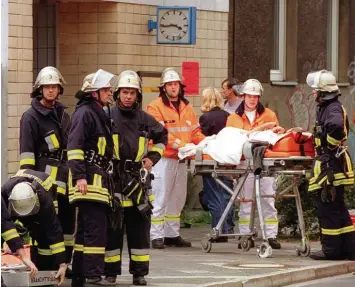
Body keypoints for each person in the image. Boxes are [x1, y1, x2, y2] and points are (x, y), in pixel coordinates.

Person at [103, 70, 168, 286]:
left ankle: (139, 273)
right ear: (118, 94)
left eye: (132, 93)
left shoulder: (145, 119)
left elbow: (162, 138)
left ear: (137, 96)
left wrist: (152, 158)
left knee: (139, 231)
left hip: (137, 182)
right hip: (113, 180)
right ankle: (110, 272)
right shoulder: (107, 116)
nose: (128, 96)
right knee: (113, 229)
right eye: (124, 92)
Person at [19, 66, 75, 268]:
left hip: (66, 178)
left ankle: (64, 264)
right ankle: (46, 264)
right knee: (46, 223)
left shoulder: (64, 115)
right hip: (44, 179)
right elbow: (26, 154)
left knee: (67, 223)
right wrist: (30, 182)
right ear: (39, 89)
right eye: (47, 87)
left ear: (59, 89)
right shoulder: (30, 116)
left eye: (54, 86)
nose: (51, 90)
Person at [67, 69, 116, 286]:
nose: (109, 92)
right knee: (95, 229)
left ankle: (80, 271)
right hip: (89, 180)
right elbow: (75, 147)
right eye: (106, 89)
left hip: (97, 178)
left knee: (87, 230)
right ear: (94, 92)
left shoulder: (97, 112)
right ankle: (94, 274)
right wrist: (80, 177)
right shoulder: (85, 113)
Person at [147, 68, 205, 249]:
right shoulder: (155, 107)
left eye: (176, 84)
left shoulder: (186, 107)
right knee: (160, 196)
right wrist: (179, 144)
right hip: (163, 158)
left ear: (180, 86)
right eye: (170, 84)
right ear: (164, 88)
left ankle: (171, 234)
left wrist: (206, 143)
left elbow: (195, 132)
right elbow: (159, 133)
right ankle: (156, 235)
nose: (173, 87)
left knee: (177, 198)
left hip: (181, 159)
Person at [226, 79, 283, 249]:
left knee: (268, 199)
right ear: (243, 96)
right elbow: (230, 143)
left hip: (265, 162)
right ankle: (245, 235)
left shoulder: (269, 116)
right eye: (249, 96)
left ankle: (271, 235)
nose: (252, 99)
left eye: (255, 96)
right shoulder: (233, 119)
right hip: (244, 164)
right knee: (246, 200)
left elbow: (276, 138)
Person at [306, 70, 355, 260]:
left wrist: (327, 143)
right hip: (333, 164)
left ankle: (332, 250)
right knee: (338, 208)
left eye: (315, 90)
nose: (313, 93)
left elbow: (335, 127)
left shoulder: (332, 108)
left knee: (327, 209)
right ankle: (347, 249)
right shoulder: (330, 106)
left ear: (323, 92)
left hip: (330, 166)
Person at [1, 169, 67, 285]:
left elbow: (54, 230)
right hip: (18, 198)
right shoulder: (5, 193)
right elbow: (5, 224)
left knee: (44, 235)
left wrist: (62, 264)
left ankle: (47, 268)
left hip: (47, 190)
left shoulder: (44, 201)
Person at [199, 87, 235, 241]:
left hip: (211, 160)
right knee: (227, 194)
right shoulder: (228, 116)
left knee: (213, 196)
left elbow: (202, 141)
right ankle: (228, 228)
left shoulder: (205, 118)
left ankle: (218, 230)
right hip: (227, 160)